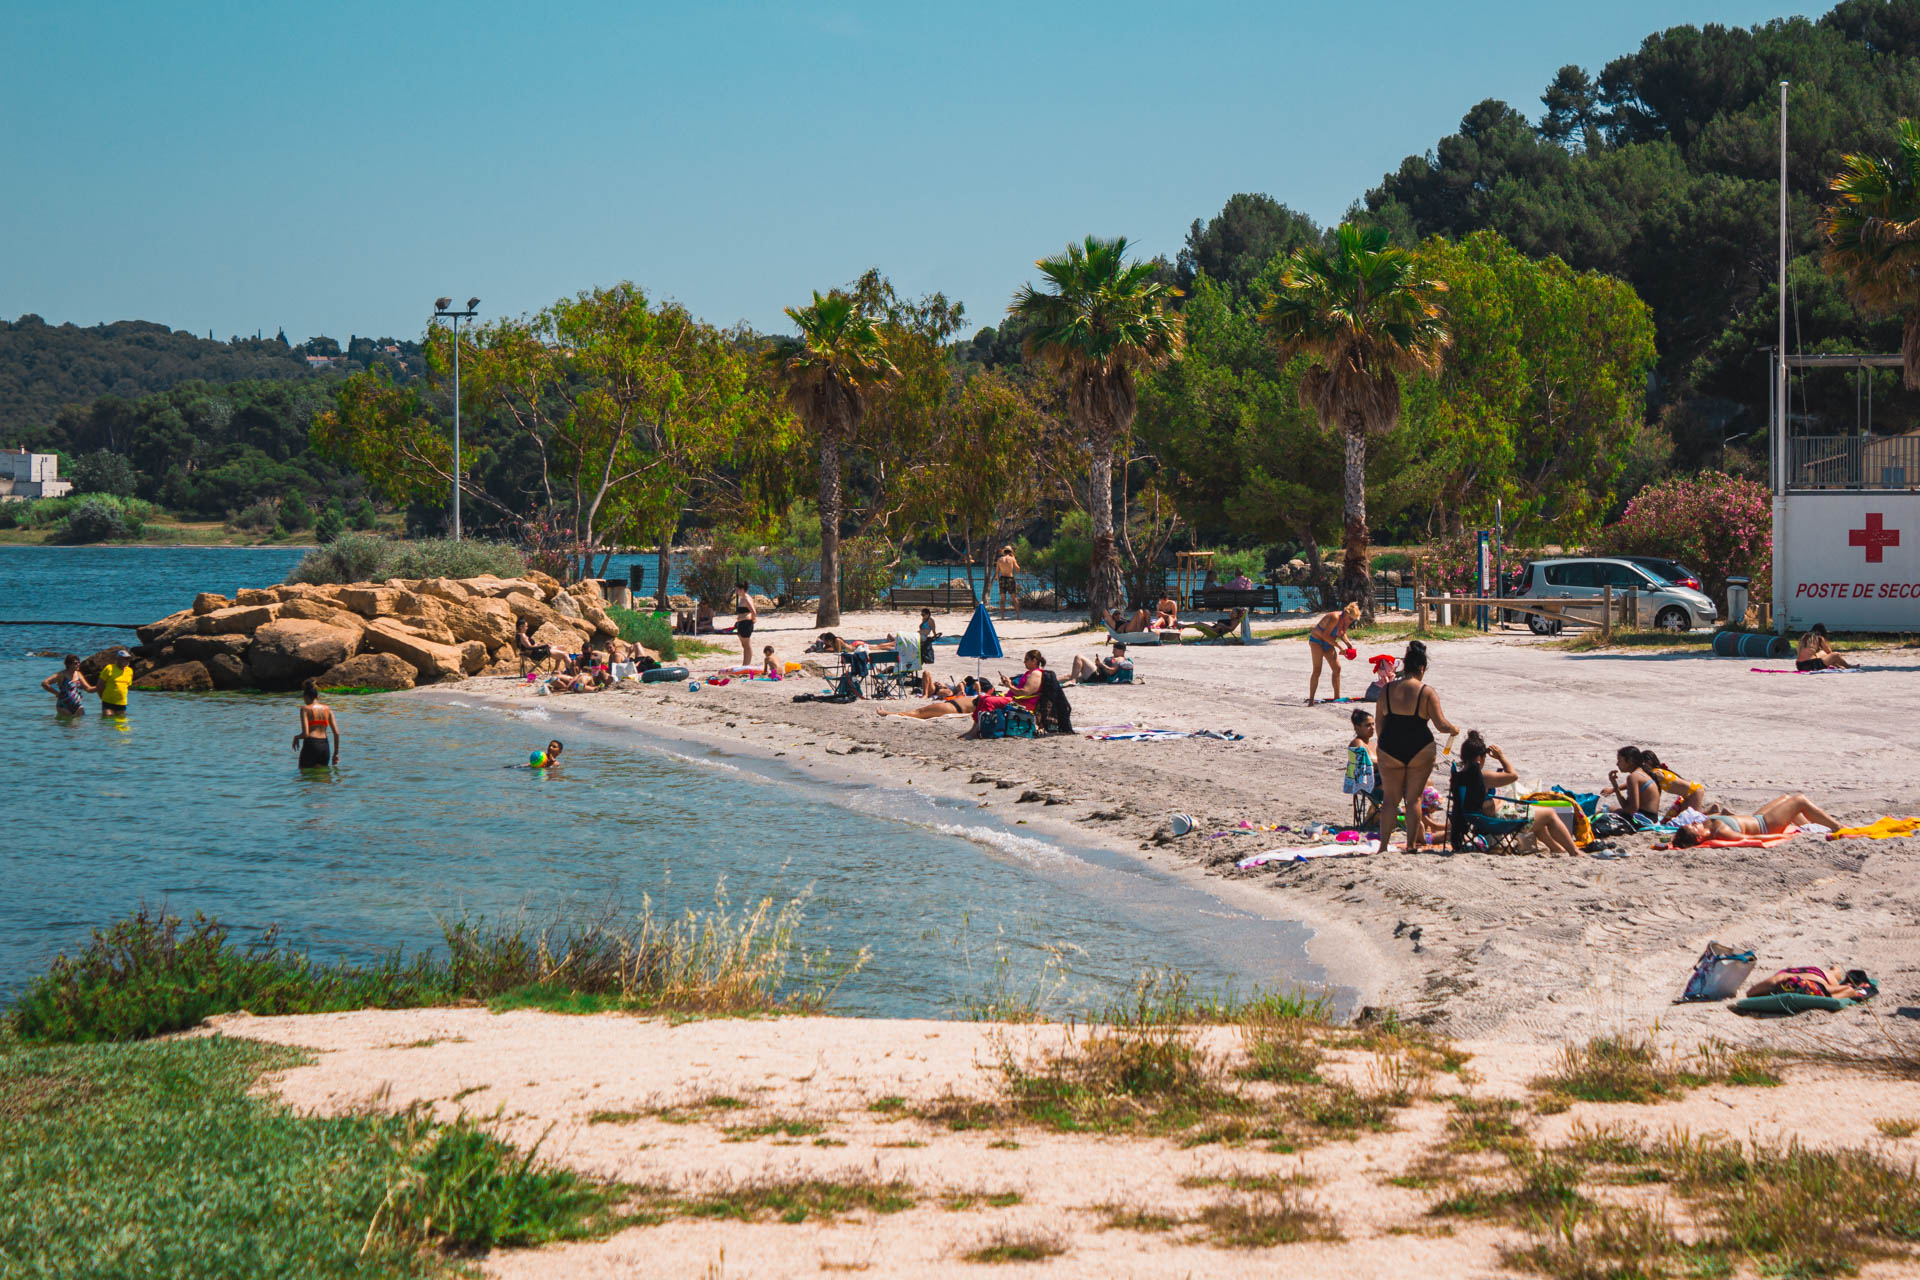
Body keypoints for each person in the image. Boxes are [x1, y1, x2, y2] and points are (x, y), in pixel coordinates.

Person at [1375, 640, 1458, 853]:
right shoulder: (1426, 691)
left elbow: (1379, 724)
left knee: (1390, 800)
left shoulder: (1387, 690)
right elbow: (1440, 725)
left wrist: (1387, 747)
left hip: (1390, 745)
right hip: (1419, 746)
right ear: (1422, 668)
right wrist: (1454, 729)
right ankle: (1411, 846)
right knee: (1414, 799)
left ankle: (1383, 847)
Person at [1455, 731, 1587, 855]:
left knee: (1538, 817)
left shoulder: (1459, 775)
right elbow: (1513, 775)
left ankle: (1557, 848)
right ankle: (1574, 852)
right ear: (1479, 758)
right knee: (1550, 814)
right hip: (1496, 820)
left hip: (1479, 818)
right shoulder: (1483, 776)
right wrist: (1501, 757)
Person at [1671, 794, 1842, 846]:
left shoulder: (1705, 825)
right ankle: (1837, 827)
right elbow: (1752, 839)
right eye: (1693, 827)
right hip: (1766, 826)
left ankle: (1812, 828)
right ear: (1700, 837)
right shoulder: (1720, 832)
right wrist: (1785, 837)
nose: (1694, 823)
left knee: (1785, 798)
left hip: (1757, 817)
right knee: (1799, 801)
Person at [1637, 750, 1720, 820]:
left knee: (1694, 820)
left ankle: (1723, 815)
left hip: (1694, 792)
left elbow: (1647, 783)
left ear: (1648, 762)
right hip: (1687, 795)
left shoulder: (1656, 772)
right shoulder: (1659, 770)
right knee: (1681, 819)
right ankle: (1712, 810)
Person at [1307, 602, 1359, 705]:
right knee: (1317, 670)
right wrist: (1339, 647)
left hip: (1328, 643)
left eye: (1353, 620)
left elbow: (1342, 633)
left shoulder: (1346, 620)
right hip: (1317, 641)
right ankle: (1311, 700)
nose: (1351, 621)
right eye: (1351, 619)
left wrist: (1348, 644)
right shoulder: (1335, 617)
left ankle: (1337, 698)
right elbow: (1325, 635)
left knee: (1337, 668)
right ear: (1346, 614)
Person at [294, 678, 339, 768]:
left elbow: (306, 734)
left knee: (304, 776)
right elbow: (337, 733)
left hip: (311, 744)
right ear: (317, 696)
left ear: (306, 696)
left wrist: (296, 737)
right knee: (323, 777)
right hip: (324, 746)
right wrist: (336, 753)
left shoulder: (305, 709)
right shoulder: (328, 709)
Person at [1606, 747, 1660, 820]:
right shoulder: (1642, 773)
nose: (1617, 764)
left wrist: (1616, 811)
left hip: (1643, 820)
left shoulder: (1633, 777)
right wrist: (1615, 786)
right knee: (1609, 809)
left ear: (1630, 761)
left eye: (1619, 760)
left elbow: (1632, 809)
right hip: (1651, 818)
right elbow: (1627, 806)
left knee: (1605, 809)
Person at [97, 648, 134, 717]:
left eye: (128, 659)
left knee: (121, 724)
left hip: (122, 703)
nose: (127, 661)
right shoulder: (109, 668)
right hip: (108, 702)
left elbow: (127, 686)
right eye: (124, 658)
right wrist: (102, 698)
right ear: (118, 659)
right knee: (108, 721)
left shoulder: (130, 671)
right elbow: (99, 685)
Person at [732, 582, 757, 666]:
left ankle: (746, 664)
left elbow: (753, 611)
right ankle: (745, 664)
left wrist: (753, 619)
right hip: (741, 622)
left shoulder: (746, 598)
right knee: (744, 645)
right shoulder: (742, 598)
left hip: (746, 623)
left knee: (747, 645)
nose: (736, 592)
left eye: (737, 590)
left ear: (742, 590)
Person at [995, 545, 1022, 619]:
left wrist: (998, 582)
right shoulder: (1012, 559)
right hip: (1010, 578)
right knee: (1014, 598)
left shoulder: (999, 559)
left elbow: (997, 573)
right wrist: (1014, 559)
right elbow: (1018, 569)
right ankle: (1018, 616)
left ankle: (1002, 616)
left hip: (1002, 579)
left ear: (1004, 552)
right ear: (1011, 552)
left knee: (1002, 598)